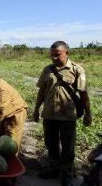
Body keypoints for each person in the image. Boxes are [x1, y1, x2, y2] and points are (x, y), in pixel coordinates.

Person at [33, 41, 92, 186]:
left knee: (68, 147)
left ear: (67, 53)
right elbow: (41, 91)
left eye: (57, 55)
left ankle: (67, 173)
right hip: (49, 115)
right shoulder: (47, 70)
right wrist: (36, 109)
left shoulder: (77, 70)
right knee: (50, 144)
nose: (54, 58)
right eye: (52, 55)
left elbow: (84, 94)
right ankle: (53, 168)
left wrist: (88, 113)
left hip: (68, 116)